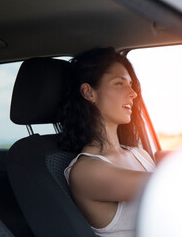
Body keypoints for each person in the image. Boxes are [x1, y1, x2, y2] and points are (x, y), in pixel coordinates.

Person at [61, 47, 156, 237]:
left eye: (131, 84)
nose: (133, 93)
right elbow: (169, 187)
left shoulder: (138, 153)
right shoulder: (87, 171)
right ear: (89, 93)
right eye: (119, 84)